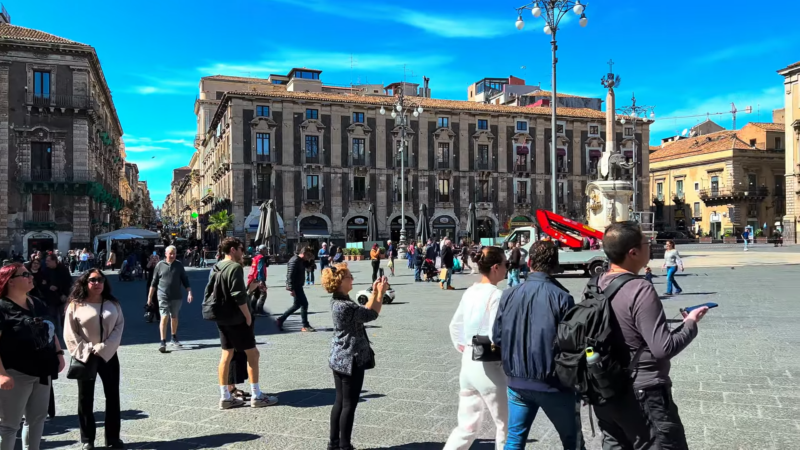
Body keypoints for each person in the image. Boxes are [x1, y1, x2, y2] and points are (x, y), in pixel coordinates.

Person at [591, 222, 708, 450]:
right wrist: (691, 323)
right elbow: (663, 348)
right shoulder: (639, 289)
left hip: (606, 388)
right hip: (643, 392)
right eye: (647, 243)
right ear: (633, 252)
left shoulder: (597, 283)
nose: (651, 247)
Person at [494, 241, 584, 450]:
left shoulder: (508, 294)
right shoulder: (562, 297)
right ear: (555, 265)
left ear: (530, 262)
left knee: (515, 439)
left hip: (517, 380)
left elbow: (497, 337)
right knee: (572, 441)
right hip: (553, 382)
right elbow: (570, 343)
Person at [444, 247, 509, 449]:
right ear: (496, 267)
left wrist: (464, 346)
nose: (508, 268)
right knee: (505, 426)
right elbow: (495, 334)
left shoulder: (471, 290)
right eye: (506, 264)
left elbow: (454, 325)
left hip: (469, 364)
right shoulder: (496, 295)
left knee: (466, 427)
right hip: (489, 367)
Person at [0, 263, 65, 450]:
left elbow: (49, 330)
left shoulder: (37, 302)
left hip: (43, 371)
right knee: (9, 425)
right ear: (10, 281)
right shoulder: (3, 307)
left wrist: (59, 352)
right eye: (25, 274)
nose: (31, 277)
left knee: (37, 420)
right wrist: (2, 374)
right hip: (15, 372)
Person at [324, 263, 388, 450]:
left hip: (338, 356)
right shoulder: (345, 306)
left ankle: (334, 443)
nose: (352, 278)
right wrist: (381, 293)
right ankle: (344, 446)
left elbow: (364, 313)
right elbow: (371, 314)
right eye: (349, 276)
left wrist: (375, 292)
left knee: (339, 401)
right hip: (351, 358)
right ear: (340, 281)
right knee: (348, 405)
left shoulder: (340, 301)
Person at [211, 237, 278, 409]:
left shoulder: (216, 266)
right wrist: (248, 316)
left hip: (222, 316)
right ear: (232, 250)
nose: (243, 252)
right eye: (241, 248)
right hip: (237, 318)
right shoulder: (234, 267)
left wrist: (250, 290)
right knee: (253, 354)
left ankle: (225, 396)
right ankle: (257, 395)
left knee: (226, 354)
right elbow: (238, 296)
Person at [63, 270, 125, 450]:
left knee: (113, 397)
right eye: (93, 280)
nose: (97, 283)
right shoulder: (75, 305)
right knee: (85, 398)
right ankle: (87, 439)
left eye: (100, 280)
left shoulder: (113, 303)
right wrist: (88, 349)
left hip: (109, 355)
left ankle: (113, 438)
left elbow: (119, 327)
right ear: (85, 282)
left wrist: (105, 348)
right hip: (85, 356)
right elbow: (70, 332)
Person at [148, 245, 193, 353]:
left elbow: (184, 279)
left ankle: (173, 336)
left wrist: (189, 292)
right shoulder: (159, 265)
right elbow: (153, 282)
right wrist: (150, 297)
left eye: (174, 253)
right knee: (164, 317)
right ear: (166, 254)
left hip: (176, 296)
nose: (172, 255)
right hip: (162, 295)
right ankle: (162, 341)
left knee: (174, 317)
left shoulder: (179, 265)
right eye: (170, 253)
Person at [276, 247, 316, 332]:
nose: (308, 258)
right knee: (304, 304)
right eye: (308, 256)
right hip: (296, 286)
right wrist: (291, 288)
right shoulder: (294, 260)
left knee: (297, 305)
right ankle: (305, 325)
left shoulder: (301, 260)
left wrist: (311, 261)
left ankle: (281, 319)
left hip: (298, 285)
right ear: (304, 253)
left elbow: (309, 267)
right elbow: (290, 275)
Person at [40, 254, 72, 346]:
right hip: (50, 298)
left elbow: (68, 283)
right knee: (52, 317)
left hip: (63, 297)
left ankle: (66, 335)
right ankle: (54, 336)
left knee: (64, 317)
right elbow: (42, 284)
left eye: (48, 261)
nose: (46, 263)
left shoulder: (63, 269)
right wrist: (48, 286)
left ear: (55, 261)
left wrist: (65, 294)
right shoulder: (44, 270)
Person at [248, 245, 269, 316]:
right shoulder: (261, 258)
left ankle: (252, 309)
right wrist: (261, 281)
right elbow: (260, 270)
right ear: (261, 250)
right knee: (263, 294)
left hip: (253, 278)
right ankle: (259, 310)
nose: (266, 251)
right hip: (258, 278)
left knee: (256, 294)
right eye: (265, 249)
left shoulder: (255, 257)